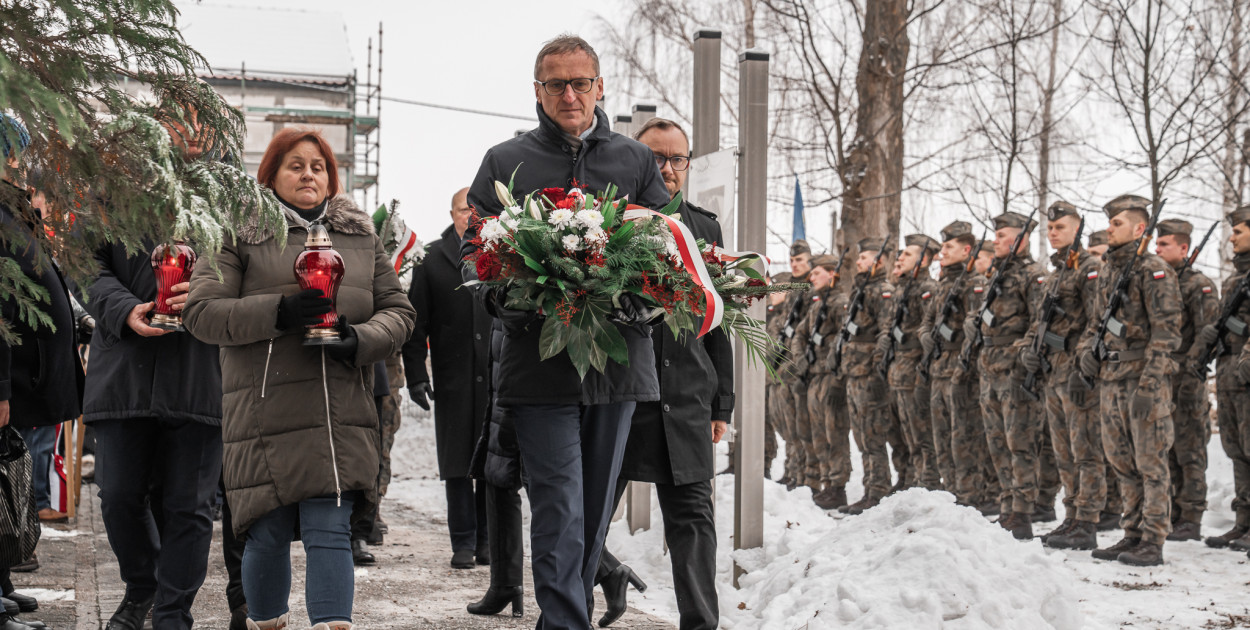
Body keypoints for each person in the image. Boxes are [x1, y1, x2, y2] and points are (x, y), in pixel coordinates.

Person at [461, 35, 669, 629]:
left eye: (581, 82)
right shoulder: (505, 161)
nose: (570, 94)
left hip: (618, 362)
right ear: (538, 92)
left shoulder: (633, 160)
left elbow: (666, 252)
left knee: (594, 512)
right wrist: (511, 299)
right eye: (557, 84)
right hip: (539, 364)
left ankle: (564, 618)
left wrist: (641, 305)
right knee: (558, 507)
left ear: (601, 87)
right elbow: (476, 254)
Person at [184, 127, 415, 629]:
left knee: (330, 527)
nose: (308, 173)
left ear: (331, 177)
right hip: (265, 411)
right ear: (270, 176)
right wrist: (280, 311)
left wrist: (360, 340)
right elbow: (201, 312)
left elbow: (399, 312)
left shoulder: (358, 236)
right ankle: (266, 622)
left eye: (318, 166)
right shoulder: (237, 231)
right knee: (266, 531)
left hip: (339, 410)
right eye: (295, 164)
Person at [77, 111, 225, 630]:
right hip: (125, 373)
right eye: (175, 119)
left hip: (200, 373)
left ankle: (171, 613)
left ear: (213, 132)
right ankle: (142, 586)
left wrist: (206, 292)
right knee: (117, 496)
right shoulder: (115, 189)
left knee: (189, 507)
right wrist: (124, 309)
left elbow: (251, 272)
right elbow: (84, 265)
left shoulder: (231, 199)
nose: (188, 130)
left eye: (197, 121)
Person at [595, 118, 731, 630]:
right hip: (622, 394)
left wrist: (723, 403)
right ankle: (580, 598)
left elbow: (720, 320)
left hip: (686, 398)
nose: (668, 169)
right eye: (656, 158)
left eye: (678, 159)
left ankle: (701, 624)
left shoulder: (705, 226)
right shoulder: (606, 225)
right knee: (587, 516)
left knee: (694, 520)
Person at [0, 112, 82, 630]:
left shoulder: (14, 211)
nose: (16, 162)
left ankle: (2, 583)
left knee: (9, 485)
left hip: (30, 377)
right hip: (14, 377)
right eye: (10, 152)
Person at [1077, 194, 1182, 567]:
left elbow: (1166, 335)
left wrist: (1151, 386)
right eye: (1110, 222)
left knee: (1151, 463)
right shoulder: (1109, 270)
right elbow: (1095, 324)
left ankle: (1153, 538)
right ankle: (1132, 532)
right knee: (1121, 462)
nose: (1110, 228)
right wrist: (1086, 354)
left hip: (1141, 380)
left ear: (1140, 229)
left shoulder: (1154, 270)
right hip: (1111, 379)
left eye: (1117, 223)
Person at [402, 187, 490, 569]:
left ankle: (489, 542)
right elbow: (415, 324)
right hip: (452, 378)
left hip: (494, 378)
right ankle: (464, 543)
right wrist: (417, 376)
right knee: (456, 465)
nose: (469, 217)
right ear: (451, 213)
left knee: (492, 463)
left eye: (475, 211)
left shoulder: (499, 256)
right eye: (461, 210)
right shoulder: (432, 259)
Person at [1019, 202, 1109, 550]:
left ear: (1077, 229)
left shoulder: (1090, 269)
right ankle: (1071, 516)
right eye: (1050, 228)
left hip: (1077, 373)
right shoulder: (1056, 273)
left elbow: (1097, 320)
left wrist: (1082, 358)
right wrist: (1031, 348)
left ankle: (1087, 522)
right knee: (1064, 451)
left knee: (1086, 450)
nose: (1053, 232)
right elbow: (1040, 322)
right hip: (1053, 373)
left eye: (1060, 227)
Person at [963, 212, 1045, 540]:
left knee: (1019, 442)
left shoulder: (1033, 275)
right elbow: (983, 314)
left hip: (1014, 369)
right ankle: (1007, 504)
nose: (995, 241)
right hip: (989, 366)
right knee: (997, 443)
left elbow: (1040, 323)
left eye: (1002, 236)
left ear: (1021, 239)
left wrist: (1021, 355)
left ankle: (1023, 511)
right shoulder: (996, 276)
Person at [922, 221, 995, 513]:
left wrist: (963, 367)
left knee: (964, 436)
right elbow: (927, 321)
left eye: (948, 247)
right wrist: (926, 336)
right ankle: (950, 491)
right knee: (942, 436)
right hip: (940, 367)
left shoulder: (975, 284)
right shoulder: (943, 284)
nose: (942, 252)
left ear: (967, 250)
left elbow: (975, 329)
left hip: (962, 370)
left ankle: (969, 496)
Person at [1153, 219, 1217, 542]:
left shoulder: (1198, 285)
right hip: (1164, 378)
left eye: (1164, 244)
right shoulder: (1160, 282)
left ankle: (1191, 515)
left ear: (1183, 248)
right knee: (1168, 448)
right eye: (1157, 243)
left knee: (1190, 450)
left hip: (1187, 378)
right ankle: (1175, 513)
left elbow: (1208, 335)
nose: (1157, 249)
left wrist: (1192, 373)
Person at [1201, 205, 1250, 552]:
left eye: (1239, 231)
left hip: (1247, 370)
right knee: (1236, 449)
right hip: (1230, 370)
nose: (1232, 237)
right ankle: (1243, 523)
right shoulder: (1235, 279)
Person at [836, 238, 896, 515]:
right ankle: (870, 487)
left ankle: (878, 489)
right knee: (861, 436)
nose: (859, 263)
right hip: (854, 372)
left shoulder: (882, 291)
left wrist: (875, 365)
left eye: (865, 258)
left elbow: (886, 331)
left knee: (873, 435)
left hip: (869, 375)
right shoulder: (860, 290)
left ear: (879, 262)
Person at [790, 255, 850, 509]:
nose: (811, 278)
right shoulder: (817, 305)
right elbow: (799, 335)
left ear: (832, 274)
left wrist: (838, 376)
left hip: (831, 375)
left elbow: (844, 341)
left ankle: (838, 486)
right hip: (814, 376)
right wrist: (801, 359)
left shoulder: (841, 303)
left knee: (834, 432)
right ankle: (825, 481)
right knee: (818, 434)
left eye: (816, 273)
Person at [882, 235, 941, 491]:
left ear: (924, 259)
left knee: (920, 434)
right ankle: (907, 478)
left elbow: (929, 331)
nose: (900, 258)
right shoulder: (902, 288)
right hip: (898, 370)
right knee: (901, 433)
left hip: (915, 370)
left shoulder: (928, 289)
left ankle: (926, 482)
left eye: (907, 254)